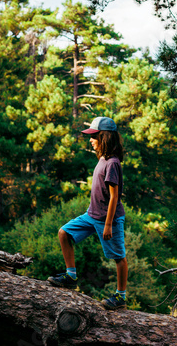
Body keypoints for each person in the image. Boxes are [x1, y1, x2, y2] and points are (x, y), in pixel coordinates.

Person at [48, 116, 128, 310]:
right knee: (64, 233)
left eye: (94, 136)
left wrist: (108, 224)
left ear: (105, 137)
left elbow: (114, 197)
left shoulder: (113, 163)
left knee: (119, 257)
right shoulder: (102, 159)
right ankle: (70, 276)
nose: (90, 140)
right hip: (92, 215)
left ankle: (121, 297)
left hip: (109, 219)